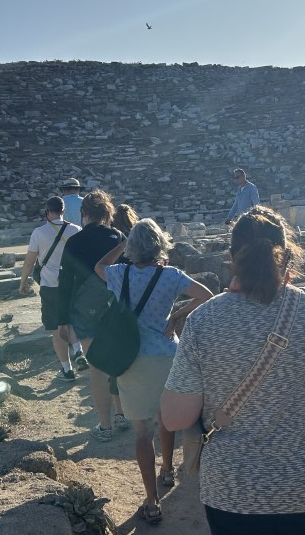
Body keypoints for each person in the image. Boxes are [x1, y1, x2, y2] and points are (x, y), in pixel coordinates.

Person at [161, 205, 305, 535]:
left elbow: (174, 418)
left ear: (232, 258)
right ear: (287, 256)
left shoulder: (204, 320)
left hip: (234, 491)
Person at [94, 218, 213, 525]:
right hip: (166, 356)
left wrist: (122, 243)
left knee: (142, 433)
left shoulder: (118, 273)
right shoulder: (171, 275)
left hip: (130, 358)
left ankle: (151, 500)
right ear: (161, 244)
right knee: (166, 419)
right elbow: (206, 295)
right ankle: (168, 470)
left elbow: (98, 266)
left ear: (132, 248)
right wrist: (176, 315)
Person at [57, 190, 127, 440]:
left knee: (97, 367)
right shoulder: (118, 237)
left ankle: (105, 427)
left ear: (84, 213)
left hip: (84, 309)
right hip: (114, 306)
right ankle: (121, 413)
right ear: (107, 212)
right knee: (116, 362)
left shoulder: (75, 241)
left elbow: (65, 282)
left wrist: (62, 319)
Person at [18, 197, 84, 381]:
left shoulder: (39, 232)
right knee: (72, 320)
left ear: (47, 212)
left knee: (57, 327)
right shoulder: (76, 230)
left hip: (50, 285)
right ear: (63, 211)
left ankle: (67, 370)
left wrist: (23, 282)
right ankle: (78, 350)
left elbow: (29, 261)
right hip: (72, 283)